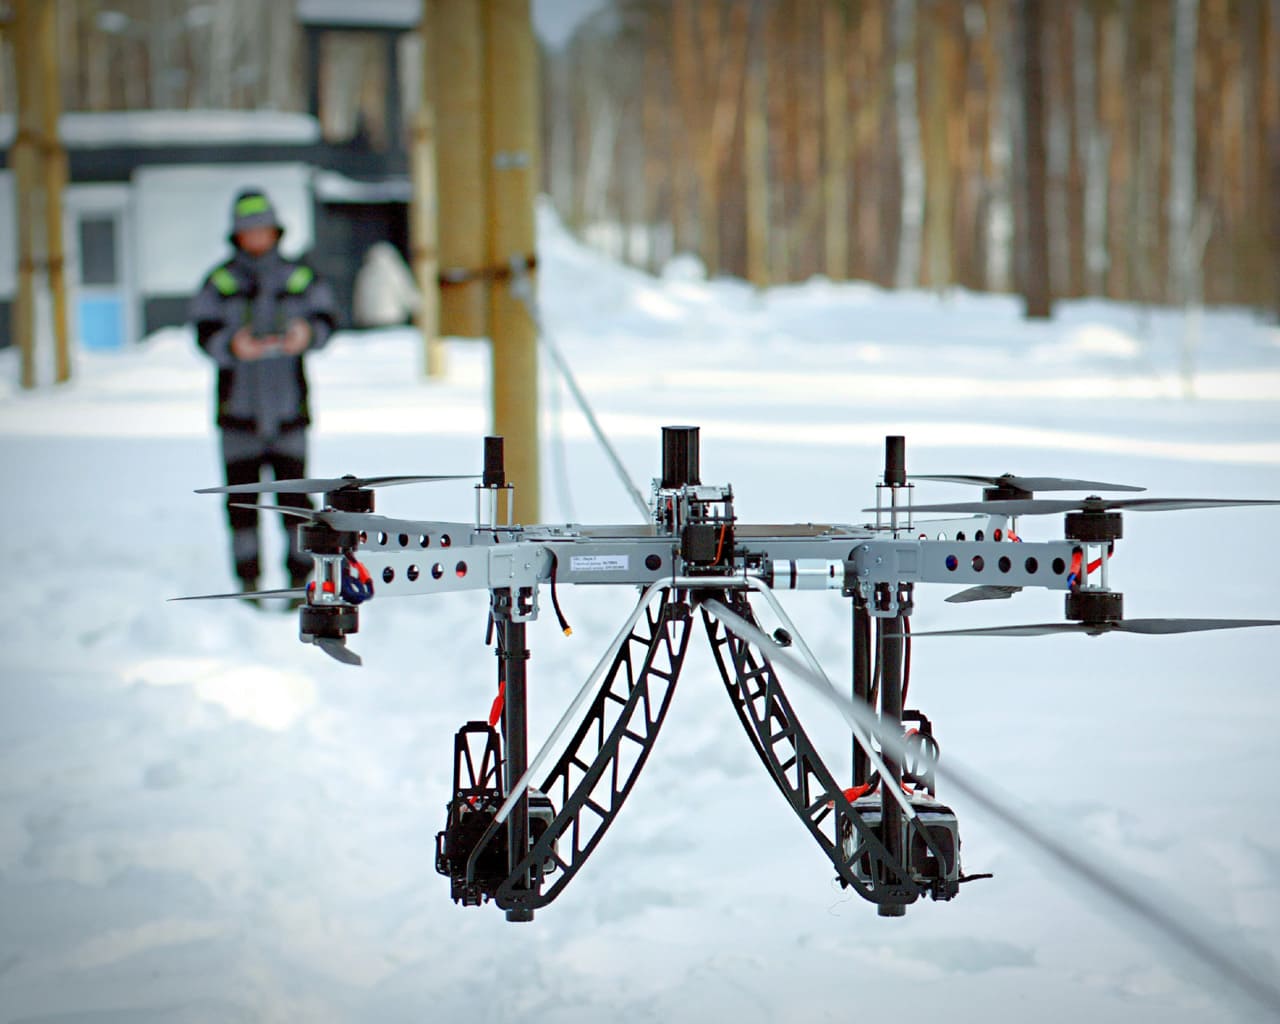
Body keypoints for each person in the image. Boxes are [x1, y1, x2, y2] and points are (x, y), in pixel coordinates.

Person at [189, 188, 337, 600]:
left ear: (276, 232)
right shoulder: (221, 282)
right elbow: (202, 331)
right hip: (238, 415)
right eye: (249, 231)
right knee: (242, 503)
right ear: (237, 235)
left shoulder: (299, 277)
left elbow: (327, 319)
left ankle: (300, 578)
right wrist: (231, 346)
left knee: (296, 502)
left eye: (263, 229)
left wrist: (307, 334)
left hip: (289, 413)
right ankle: (248, 581)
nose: (257, 237)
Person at [352, 240, 421, 328]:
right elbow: (406, 292)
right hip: (391, 320)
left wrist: (359, 318)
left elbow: (358, 300)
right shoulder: (393, 270)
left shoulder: (364, 273)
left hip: (370, 322)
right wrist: (416, 307)